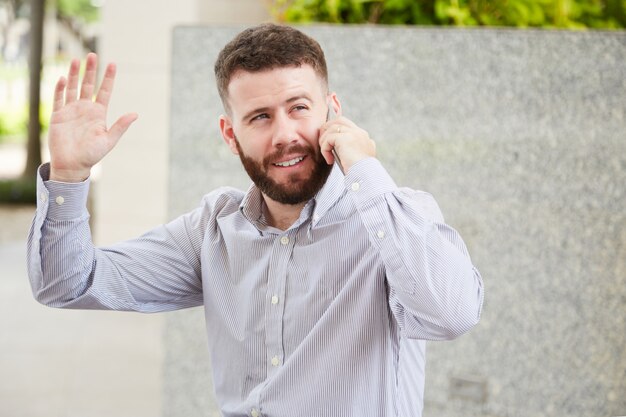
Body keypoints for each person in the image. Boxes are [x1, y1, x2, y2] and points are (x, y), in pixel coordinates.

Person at [27, 23, 484, 417]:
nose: (285, 135)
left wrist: (363, 168)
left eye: (299, 108)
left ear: (333, 112)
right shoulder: (213, 229)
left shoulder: (394, 218)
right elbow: (67, 283)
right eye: (261, 117)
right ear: (231, 135)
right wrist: (69, 176)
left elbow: (453, 315)